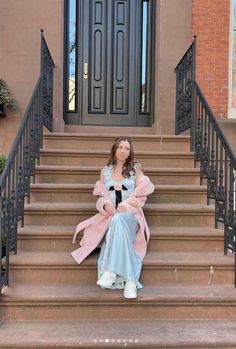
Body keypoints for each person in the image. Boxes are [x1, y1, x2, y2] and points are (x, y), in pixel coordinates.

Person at [71, 136, 154, 299]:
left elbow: (141, 196)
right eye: (120, 147)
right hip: (111, 218)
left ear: (130, 152)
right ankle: (130, 281)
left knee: (119, 219)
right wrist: (105, 206)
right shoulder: (105, 171)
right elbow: (101, 196)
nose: (123, 151)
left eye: (127, 148)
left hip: (131, 217)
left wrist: (124, 207)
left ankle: (110, 271)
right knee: (116, 220)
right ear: (114, 150)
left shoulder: (136, 169)